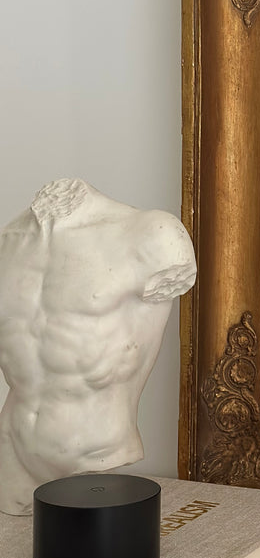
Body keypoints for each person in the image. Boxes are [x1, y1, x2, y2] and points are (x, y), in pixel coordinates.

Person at [0, 178, 196, 514]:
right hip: (12, 450)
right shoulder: (8, 242)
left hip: (97, 450)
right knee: (15, 544)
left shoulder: (151, 234)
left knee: (84, 544)